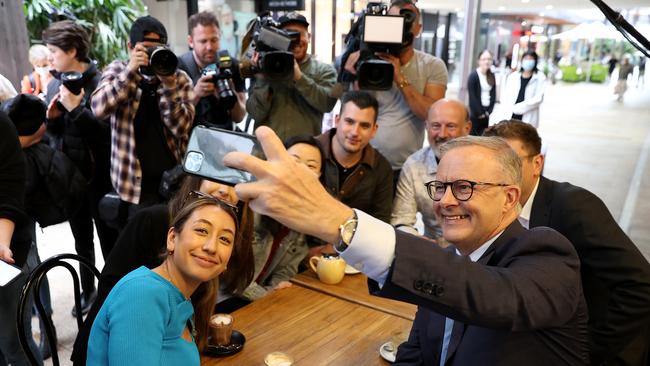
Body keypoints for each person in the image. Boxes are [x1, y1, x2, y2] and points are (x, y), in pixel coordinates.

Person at [223, 128, 589, 365]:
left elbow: (490, 294)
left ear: (510, 198)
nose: (445, 201)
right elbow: (416, 355)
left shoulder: (546, 253)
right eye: (439, 188)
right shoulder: (447, 266)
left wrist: (339, 221)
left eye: (464, 188)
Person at [484, 119, 650, 366]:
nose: (501, 175)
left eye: (512, 163)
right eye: (491, 166)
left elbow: (640, 285)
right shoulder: (497, 205)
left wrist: (589, 351)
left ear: (537, 163)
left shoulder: (574, 206)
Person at [70, 175, 254, 365]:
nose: (211, 247)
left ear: (227, 262)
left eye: (224, 239)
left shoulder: (180, 300)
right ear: (172, 238)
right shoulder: (142, 295)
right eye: (201, 230)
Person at [43, 19, 119, 315]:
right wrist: (52, 119)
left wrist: (77, 109)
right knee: (81, 243)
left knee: (109, 242)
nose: (50, 58)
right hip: (70, 179)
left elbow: (107, 139)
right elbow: (53, 137)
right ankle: (87, 291)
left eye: (54, 51)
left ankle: (112, 292)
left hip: (102, 179)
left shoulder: (103, 83)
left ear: (73, 50)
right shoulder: (54, 82)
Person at [91, 16, 194, 212]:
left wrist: (169, 86)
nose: (152, 54)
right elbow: (99, 109)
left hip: (173, 183)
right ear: (131, 46)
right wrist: (130, 71)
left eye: (158, 48)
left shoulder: (179, 78)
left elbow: (182, 128)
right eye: (146, 49)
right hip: (132, 186)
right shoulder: (118, 70)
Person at [343, 0, 448, 186]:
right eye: (394, 19)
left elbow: (431, 115)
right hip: (364, 162)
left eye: (407, 19)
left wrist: (399, 78)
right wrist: (353, 74)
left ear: (419, 28)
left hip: (406, 168)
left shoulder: (433, 66)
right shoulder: (365, 61)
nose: (400, 25)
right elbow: (357, 111)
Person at [243, 135, 324, 301]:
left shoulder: (303, 220)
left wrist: (275, 291)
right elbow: (235, 280)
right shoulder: (250, 206)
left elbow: (286, 271)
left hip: (259, 303)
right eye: (294, 161)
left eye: (311, 166)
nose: (300, 170)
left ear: (319, 176)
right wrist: (266, 297)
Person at [247, 11, 338, 141]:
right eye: (288, 34)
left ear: (309, 37)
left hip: (303, 155)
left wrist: (299, 78)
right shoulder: (265, 66)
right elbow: (255, 113)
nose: (295, 41)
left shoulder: (324, 70)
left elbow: (327, 103)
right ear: (278, 39)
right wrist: (262, 77)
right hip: (266, 154)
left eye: (299, 34)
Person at [391, 99, 471, 242]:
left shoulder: (484, 163)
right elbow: (401, 221)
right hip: (433, 250)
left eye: (451, 126)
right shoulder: (414, 165)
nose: (442, 134)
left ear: (467, 128)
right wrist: (418, 242)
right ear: (426, 126)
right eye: (435, 126)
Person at [0, 111, 43, 366]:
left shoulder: (2, 126)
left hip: (10, 249)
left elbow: (10, 188)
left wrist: (2, 241)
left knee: (13, 342)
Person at [316, 91, 393, 223]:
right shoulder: (309, 150)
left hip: (355, 243)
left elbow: (381, 223)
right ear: (337, 120)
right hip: (304, 240)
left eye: (364, 126)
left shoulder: (381, 168)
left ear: (374, 130)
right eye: (350, 122)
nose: (355, 132)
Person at [178, 11, 246, 131]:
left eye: (214, 40)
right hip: (192, 142)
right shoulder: (180, 68)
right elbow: (175, 120)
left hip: (225, 139)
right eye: (203, 41)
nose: (209, 47)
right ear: (190, 41)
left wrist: (230, 93)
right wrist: (196, 94)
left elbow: (239, 117)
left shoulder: (231, 65)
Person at [497, 50, 546, 128]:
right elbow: (506, 96)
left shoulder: (540, 77)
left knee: (525, 138)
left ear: (535, 61)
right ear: (522, 60)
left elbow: (538, 99)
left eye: (531, 59)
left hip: (528, 116)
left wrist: (519, 108)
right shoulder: (513, 76)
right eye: (526, 59)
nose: (528, 61)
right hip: (511, 115)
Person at [466, 50, 495, 136]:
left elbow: (493, 95)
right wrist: (480, 113)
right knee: (473, 137)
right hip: (476, 114)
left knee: (483, 137)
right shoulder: (473, 75)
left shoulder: (491, 75)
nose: (487, 61)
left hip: (486, 113)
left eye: (489, 59)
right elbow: (472, 97)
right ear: (479, 61)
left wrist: (489, 111)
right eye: (484, 59)